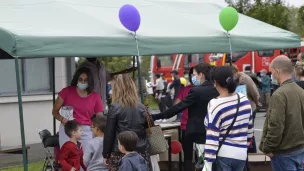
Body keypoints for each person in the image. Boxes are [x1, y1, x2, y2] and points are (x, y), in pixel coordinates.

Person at [152, 63, 219, 171]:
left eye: (195, 74)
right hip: (216, 132)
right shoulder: (219, 89)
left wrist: (156, 116)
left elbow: (178, 107)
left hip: (199, 133)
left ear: (201, 75)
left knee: (203, 163)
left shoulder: (197, 91)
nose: (193, 77)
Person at [203, 66, 253, 171]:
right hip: (241, 154)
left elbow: (212, 135)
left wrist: (207, 162)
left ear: (215, 82)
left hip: (223, 154)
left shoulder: (215, 104)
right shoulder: (244, 100)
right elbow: (249, 131)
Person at [259, 55, 304, 171]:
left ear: (277, 71)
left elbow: (276, 125)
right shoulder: (300, 91)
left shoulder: (279, 94)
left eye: (272, 72)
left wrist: (267, 148)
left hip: (283, 153)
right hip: (299, 150)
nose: (271, 75)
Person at [102, 74, 153, 171]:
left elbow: (109, 133)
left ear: (117, 89)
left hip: (120, 152)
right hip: (141, 151)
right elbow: (150, 126)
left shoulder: (114, 108)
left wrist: (106, 154)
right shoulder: (142, 107)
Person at [52, 67, 104, 150]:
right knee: (68, 155)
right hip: (68, 128)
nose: (83, 82)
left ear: (90, 81)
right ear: (76, 79)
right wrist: (62, 119)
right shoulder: (66, 91)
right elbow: (54, 111)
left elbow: (100, 118)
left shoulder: (95, 96)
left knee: (86, 157)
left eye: (86, 80)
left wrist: (98, 130)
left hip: (85, 130)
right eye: (80, 79)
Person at [174, 67, 194, 169]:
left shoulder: (185, 89)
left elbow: (176, 105)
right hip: (203, 128)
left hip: (186, 127)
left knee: (187, 155)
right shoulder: (209, 89)